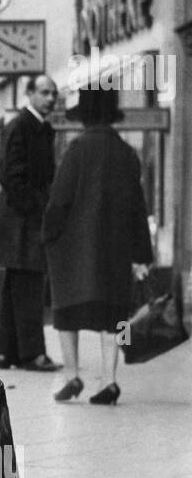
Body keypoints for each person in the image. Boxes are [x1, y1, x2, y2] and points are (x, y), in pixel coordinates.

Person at [43, 86, 153, 405]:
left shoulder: (77, 150)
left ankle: (73, 375)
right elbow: (138, 207)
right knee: (114, 315)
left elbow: (59, 200)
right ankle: (109, 380)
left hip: (73, 251)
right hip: (115, 252)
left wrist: (48, 235)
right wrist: (141, 253)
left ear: (86, 116)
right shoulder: (127, 153)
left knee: (66, 313)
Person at [0, 74, 61, 370]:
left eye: (53, 93)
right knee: (29, 286)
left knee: (16, 288)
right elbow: (8, 172)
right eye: (44, 92)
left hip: (18, 219)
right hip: (21, 221)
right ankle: (32, 354)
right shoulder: (21, 126)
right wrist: (37, 207)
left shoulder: (39, 128)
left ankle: (7, 352)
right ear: (29, 94)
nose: (51, 98)